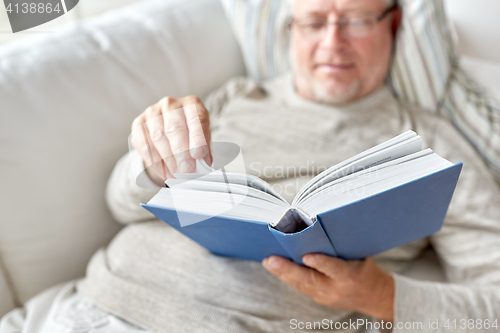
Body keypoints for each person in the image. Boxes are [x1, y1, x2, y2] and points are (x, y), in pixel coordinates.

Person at [2, 0, 500, 332]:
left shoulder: (433, 145)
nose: (332, 43)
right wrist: (150, 165)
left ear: (391, 24)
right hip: (77, 310)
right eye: (313, 21)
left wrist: (380, 295)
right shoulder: (239, 96)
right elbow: (120, 205)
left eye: (355, 19)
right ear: (290, 29)